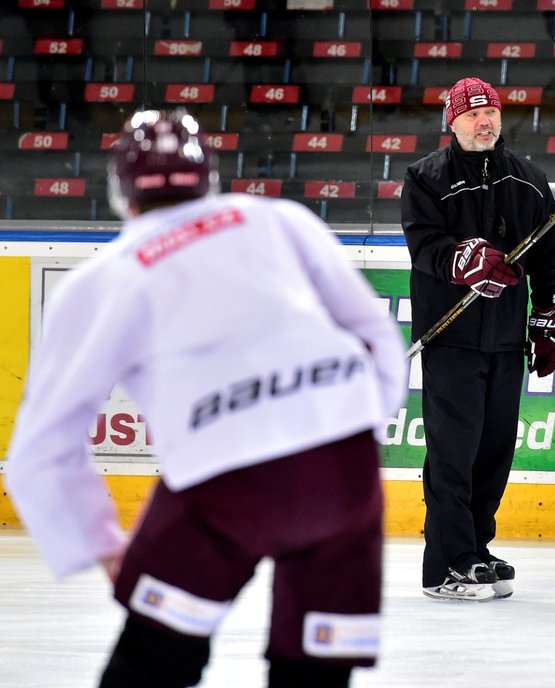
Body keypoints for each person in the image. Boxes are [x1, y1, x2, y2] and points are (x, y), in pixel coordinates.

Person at [4, 109, 407, 688]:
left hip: (226, 484)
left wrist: (103, 546)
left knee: (154, 659)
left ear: (122, 192)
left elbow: (43, 446)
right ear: (208, 177)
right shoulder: (278, 220)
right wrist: (357, 427)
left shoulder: (105, 278)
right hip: (342, 470)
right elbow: (375, 336)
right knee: (316, 670)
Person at [401, 77, 555, 602]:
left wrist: (548, 314)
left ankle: (475, 547)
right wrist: (462, 259)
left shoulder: (530, 179)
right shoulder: (426, 177)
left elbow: (548, 257)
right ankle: (446, 565)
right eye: (472, 114)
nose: (483, 121)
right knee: (453, 453)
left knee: (493, 451)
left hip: (503, 341)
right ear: (451, 122)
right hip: (450, 335)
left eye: (490, 112)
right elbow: (424, 245)